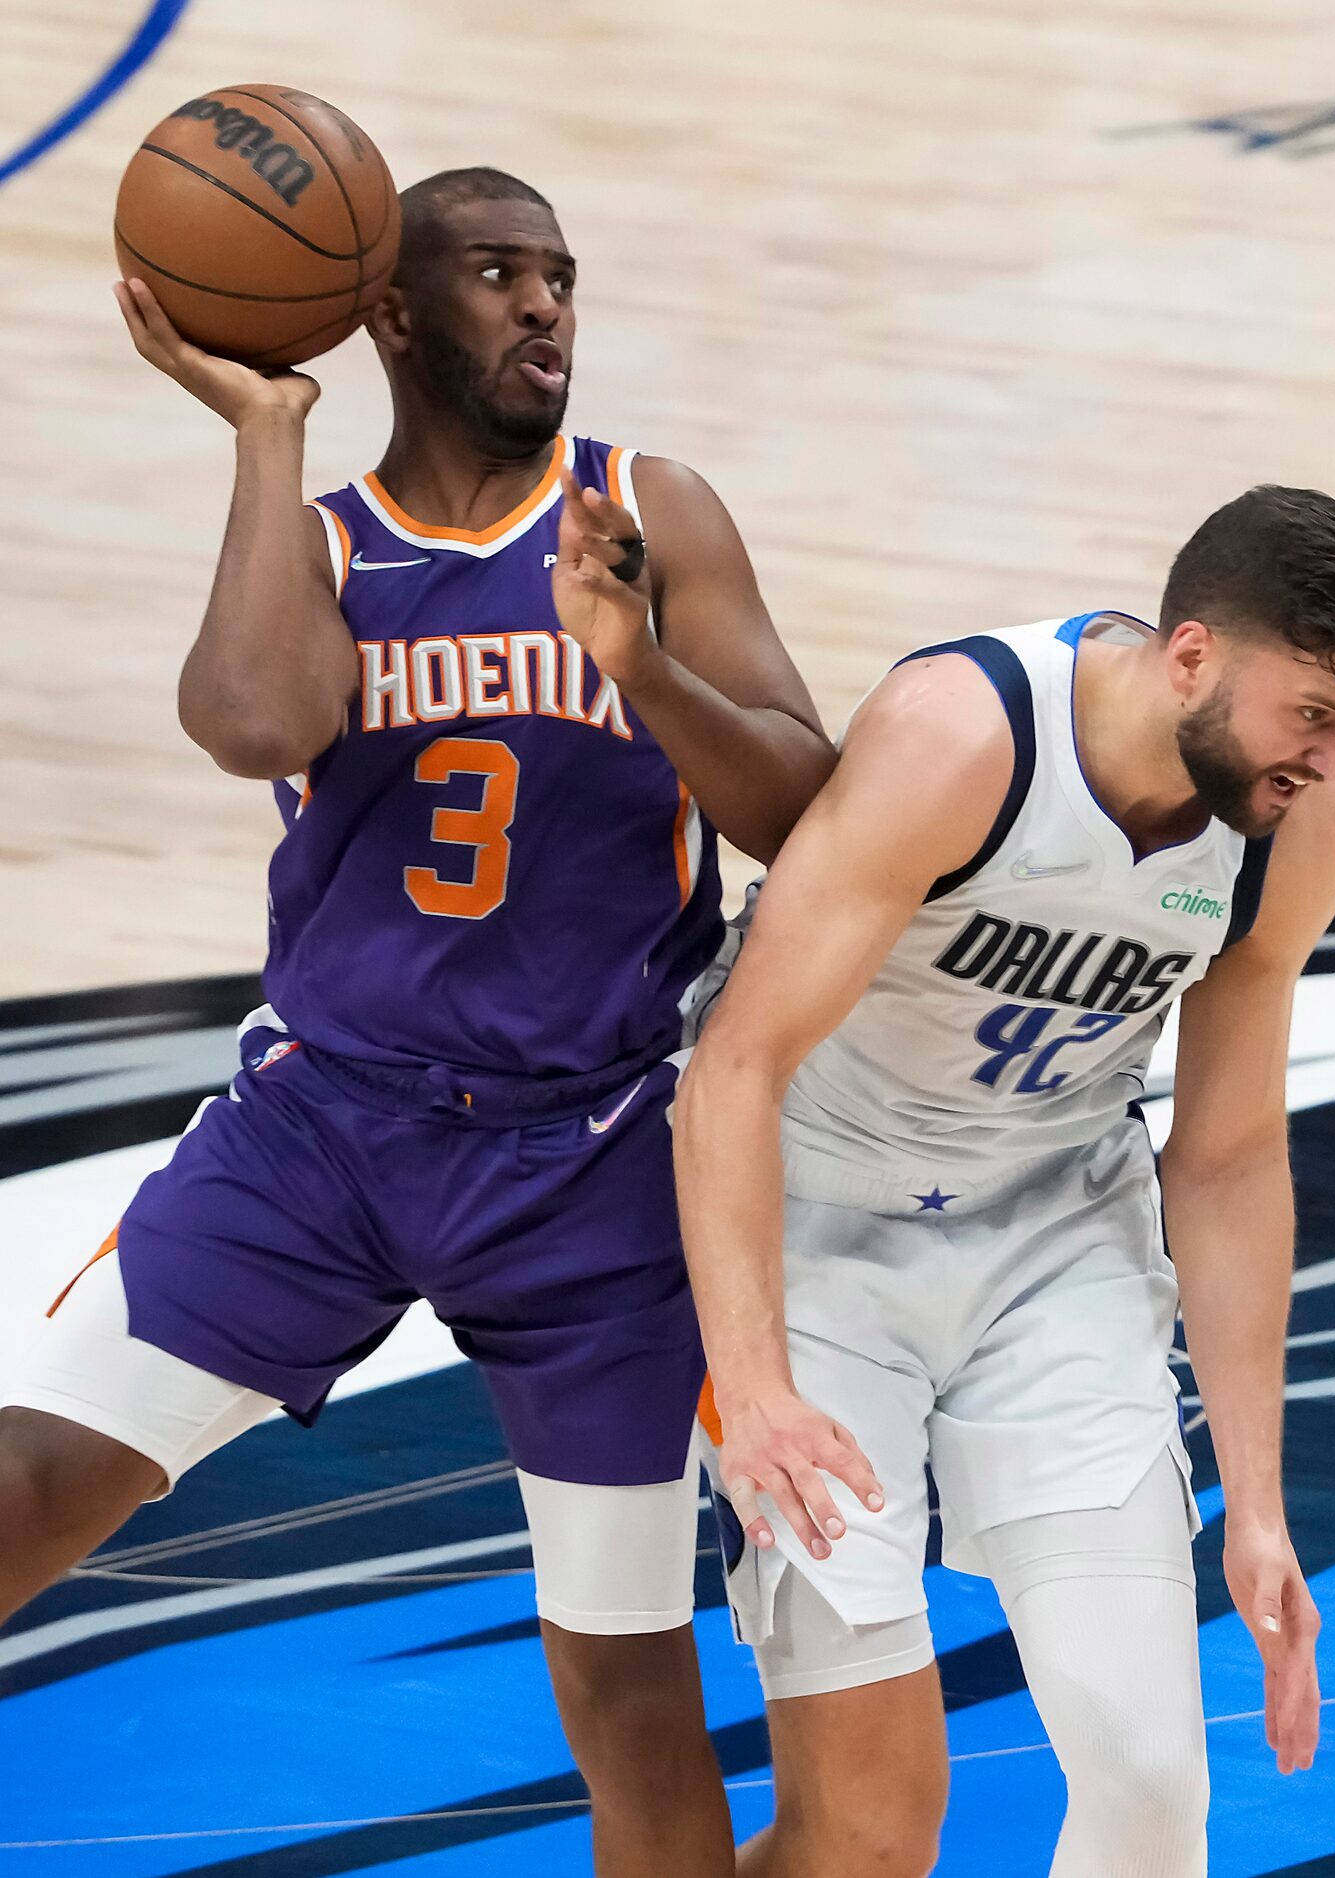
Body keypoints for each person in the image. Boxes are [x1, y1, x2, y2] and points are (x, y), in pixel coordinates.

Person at [0, 166, 835, 1877]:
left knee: (625, 1691)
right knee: (26, 1487)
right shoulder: (313, 540)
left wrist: (642, 660)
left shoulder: (645, 506)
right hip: (324, 1136)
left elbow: (807, 813)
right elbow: (251, 722)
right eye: (498, 276)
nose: (545, 307)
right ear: (389, 308)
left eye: (562, 278)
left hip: (591, 1159)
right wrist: (261, 436)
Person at [674, 485, 1335, 1877]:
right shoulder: (963, 735)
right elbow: (732, 1067)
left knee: (1151, 1788)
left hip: (1052, 1250)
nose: (1329, 760)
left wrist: (1257, 1504)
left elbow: (1227, 1155)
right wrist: (758, 1380)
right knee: (865, 1834)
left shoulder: (1291, 831)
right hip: (821, 1235)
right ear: (1190, 654)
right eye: (1312, 714)